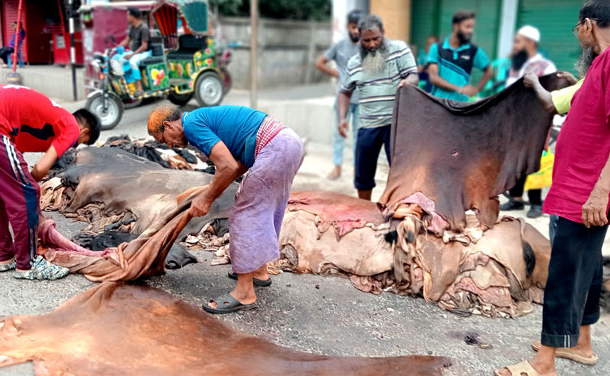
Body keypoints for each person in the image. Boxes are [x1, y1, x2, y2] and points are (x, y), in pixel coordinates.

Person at [495, 0, 610, 376]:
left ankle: (544, 365)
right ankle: (580, 343)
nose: (576, 33)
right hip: (575, 186)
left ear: (589, 24)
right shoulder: (602, 62)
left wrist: (599, 192)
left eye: (578, 27)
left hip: (587, 191)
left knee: (565, 271)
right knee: (587, 268)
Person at [147, 105, 305, 314]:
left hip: (275, 147)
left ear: (168, 125)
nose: (170, 145)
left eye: (164, 139)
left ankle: (244, 293)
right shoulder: (200, 118)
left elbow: (228, 166)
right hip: (287, 144)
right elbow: (237, 165)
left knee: (244, 215)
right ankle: (259, 271)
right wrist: (208, 191)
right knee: (263, 210)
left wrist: (207, 198)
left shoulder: (192, 125)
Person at [0, 84, 101, 280]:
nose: (74, 145)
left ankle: (5, 256)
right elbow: (39, 169)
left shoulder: (45, 120)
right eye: (81, 143)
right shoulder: (71, 126)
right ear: (85, 133)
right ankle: (28, 263)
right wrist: (29, 183)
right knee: (28, 192)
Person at [524, 15, 610, 242]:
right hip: (605, 175)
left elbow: (552, 103)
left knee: (569, 248)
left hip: (592, 180)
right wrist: (577, 84)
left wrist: (534, 83)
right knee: (584, 255)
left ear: (589, 26)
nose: (580, 39)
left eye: (578, 28)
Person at [337, 14, 418, 201]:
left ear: (383, 33)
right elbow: (345, 92)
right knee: (363, 174)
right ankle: (363, 209)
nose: (372, 44)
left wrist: (407, 82)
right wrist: (342, 119)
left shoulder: (399, 50)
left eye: (376, 39)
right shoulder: (354, 63)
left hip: (396, 124)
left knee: (400, 172)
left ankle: (400, 210)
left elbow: (413, 75)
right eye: (366, 40)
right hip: (367, 125)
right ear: (360, 39)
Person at [500, 25, 556, 218]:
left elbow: (549, 94)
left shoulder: (545, 66)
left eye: (518, 41)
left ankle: (535, 203)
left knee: (534, 161)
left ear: (530, 43)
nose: (514, 46)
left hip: (536, 123)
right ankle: (516, 199)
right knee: (517, 161)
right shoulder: (518, 65)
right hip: (516, 122)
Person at [315, 9, 363, 181]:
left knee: (360, 137)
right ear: (348, 26)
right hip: (343, 99)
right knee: (339, 135)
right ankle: (337, 167)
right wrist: (337, 74)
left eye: (359, 27)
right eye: (353, 27)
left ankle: (358, 169)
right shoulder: (340, 46)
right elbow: (319, 62)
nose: (356, 30)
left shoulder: (368, 46)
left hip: (363, 100)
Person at [426, 10, 493, 101]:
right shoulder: (436, 48)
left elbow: (489, 71)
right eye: (467, 27)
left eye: (472, 27)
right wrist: (459, 89)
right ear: (456, 26)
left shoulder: (473, 50)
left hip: (461, 107)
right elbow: (433, 78)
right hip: (438, 104)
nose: (470, 31)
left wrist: (476, 89)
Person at [117, 8, 150, 96]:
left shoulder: (144, 28)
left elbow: (144, 46)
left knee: (132, 62)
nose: (127, 17)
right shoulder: (132, 27)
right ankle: (129, 85)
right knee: (120, 60)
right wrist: (117, 47)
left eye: (128, 15)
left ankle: (140, 88)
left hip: (145, 53)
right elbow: (127, 40)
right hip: (135, 52)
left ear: (132, 16)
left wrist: (132, 54)